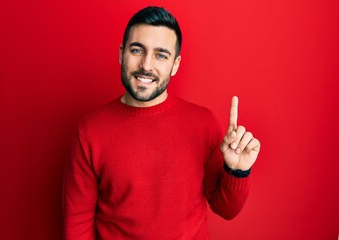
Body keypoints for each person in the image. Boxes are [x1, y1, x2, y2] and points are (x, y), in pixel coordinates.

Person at [63, 6, 261, 240]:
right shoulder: (90, 131)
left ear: (175, 64)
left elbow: (226, 210)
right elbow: (77, 225)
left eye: (160, 55)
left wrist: (237, 171)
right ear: (121, 53)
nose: (146, 65)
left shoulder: (203, 123)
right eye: (137, 50)